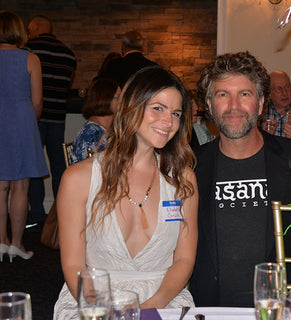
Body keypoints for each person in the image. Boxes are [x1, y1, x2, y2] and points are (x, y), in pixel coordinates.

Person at [53, 66, 198, 319]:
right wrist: (102, 311)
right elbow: (74, 265)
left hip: (163, 300)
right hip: (94, 298)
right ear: (131, 106)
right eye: (158, 108)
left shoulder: (182, 179)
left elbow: (184, 260)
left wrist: (148, 309)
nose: (169, 122)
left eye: (176, 113)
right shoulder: (79, 178)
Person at [189, 52, 291, 307]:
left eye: (244, 94)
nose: (233, 106)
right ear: (208, 105)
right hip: (210, 309)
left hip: (280, 306)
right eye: (222, 95)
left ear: (261, 103)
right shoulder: (191, 166)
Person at [0, 10, 48, 262]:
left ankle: (1, 241)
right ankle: (17, 243)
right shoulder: (31, 59)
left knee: (0, 186)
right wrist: (30, 120)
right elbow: (37, 100)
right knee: (20, 186)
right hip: (21, 120)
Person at [25, 15, 77, 226]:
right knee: (59, 168)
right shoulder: (68, 54)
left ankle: (36, 215)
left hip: (34, 117)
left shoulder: (27, 51)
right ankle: (60, 215)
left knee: (35, 167)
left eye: (29, 30)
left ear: (36, 27)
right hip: (58, 117)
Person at [70, 78, 121, 164]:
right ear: (105, 99)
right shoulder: (90, 135)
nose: (123, 100)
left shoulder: (110, 128)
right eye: (118, 96)